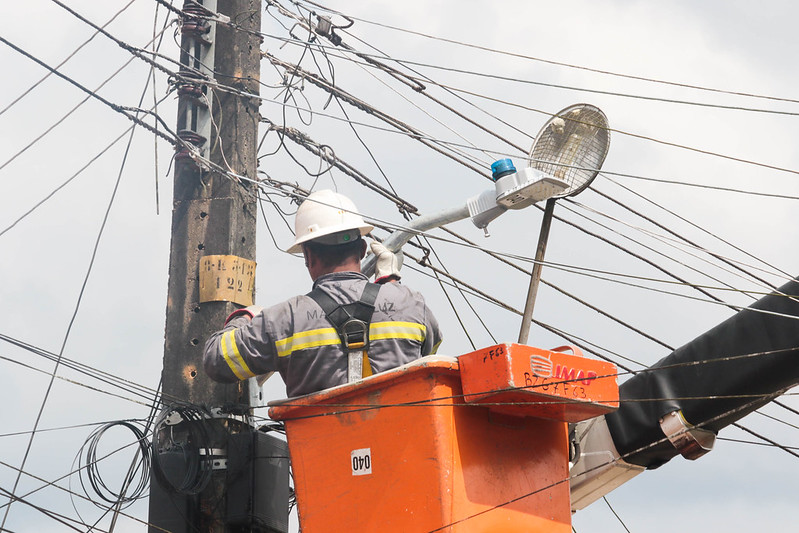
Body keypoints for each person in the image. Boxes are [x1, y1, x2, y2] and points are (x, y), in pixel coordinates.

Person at [203, 189, 443, 397]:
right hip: (405, 446)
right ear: (362, 249)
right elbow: (425, 353)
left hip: (323, 448)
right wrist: (390, 284)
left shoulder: (284, 320)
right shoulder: (411, 304)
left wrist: (245, 317)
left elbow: (216, 361)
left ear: (308, 256)